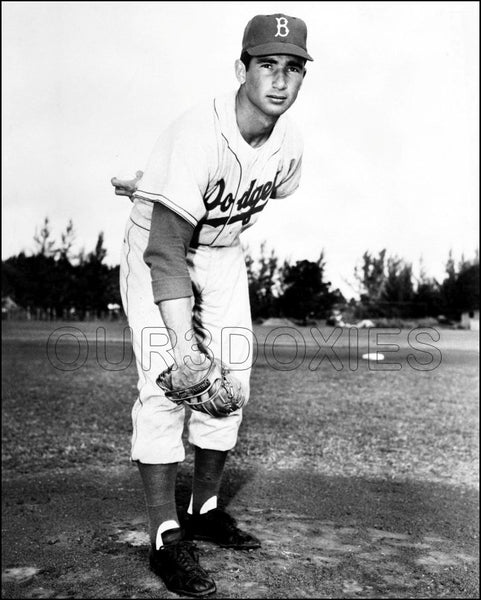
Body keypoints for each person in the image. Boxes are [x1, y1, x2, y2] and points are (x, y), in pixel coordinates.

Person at [111, 13, 312, 598]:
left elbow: (239, 193)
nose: (279, 80)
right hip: (158, 243)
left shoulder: (290, 144)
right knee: (165, 380)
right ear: (240, 69)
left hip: (221, 251)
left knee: (232, 380)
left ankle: (204, 507)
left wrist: (159, 178)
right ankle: (165, 536)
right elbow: (167, 250)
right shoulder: (200, 133)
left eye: (292, 68)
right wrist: (181, 348)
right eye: (266, 64)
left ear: (303, 78)